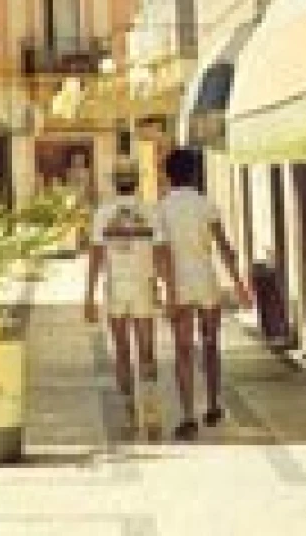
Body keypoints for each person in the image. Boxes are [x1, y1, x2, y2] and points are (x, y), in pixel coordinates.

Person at [155, 145, 253, 439]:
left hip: (179, 283)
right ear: (194, 173)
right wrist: (239, 285)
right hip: (206, 280)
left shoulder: (161, 209)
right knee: (211, 344)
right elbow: (224, 248)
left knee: (183, 351)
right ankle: (212, 405)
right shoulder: (206, 204)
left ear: (168, 175)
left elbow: (162, 253)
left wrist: (170, 292)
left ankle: (188, 416)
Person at [84, 154, 168, 439]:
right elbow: (161, 254)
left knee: (121, 352)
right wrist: (169, 289)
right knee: (147, 350)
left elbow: (95, 257)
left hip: (116, 288)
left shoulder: (102, 214)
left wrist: (89, 296)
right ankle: (152, 412)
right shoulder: (151, 212)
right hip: (144, 285)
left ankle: (129, 413)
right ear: (137, 181)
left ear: (114, 182)